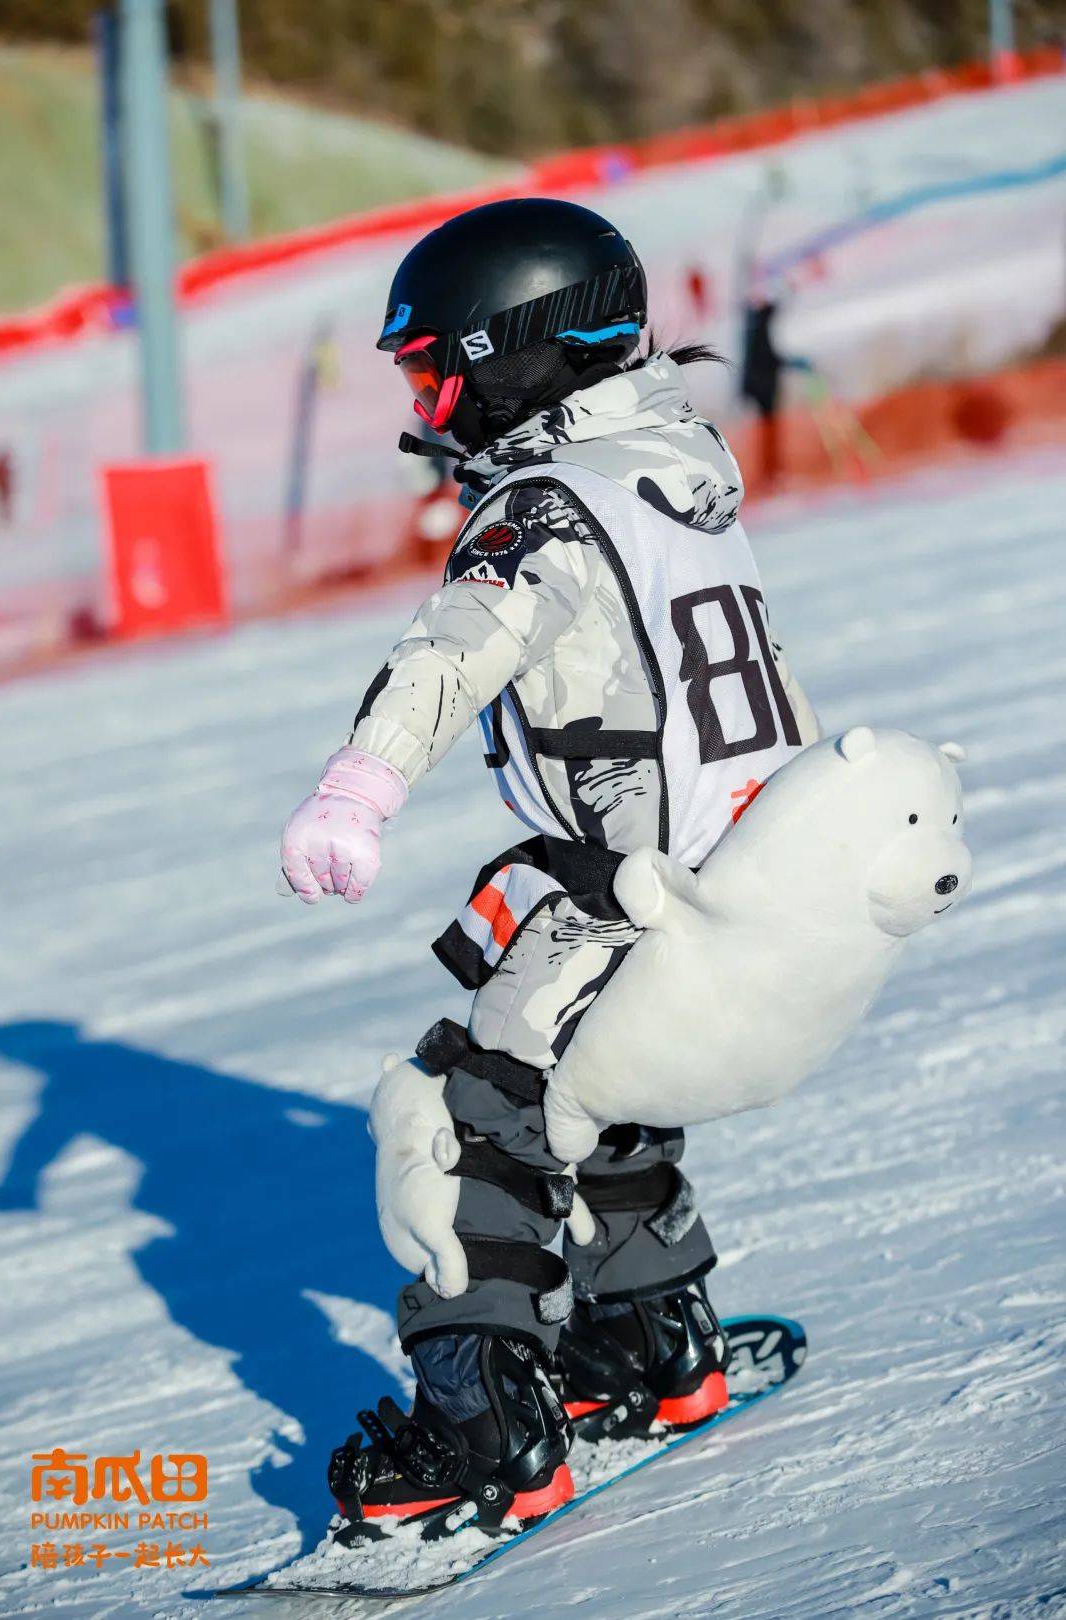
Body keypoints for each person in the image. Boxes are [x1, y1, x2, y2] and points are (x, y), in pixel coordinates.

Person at [279, 198, 820, 1547]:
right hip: (752, 882)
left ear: (510, 351)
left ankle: (485, 1434)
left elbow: (454, 650)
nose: (429, 405)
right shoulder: (671, 458)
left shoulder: (546, 512)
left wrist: (362, 782)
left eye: (435, 373)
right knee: (611, 1093)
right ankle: (653, 1344)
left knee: (466, 1120)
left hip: (621, 884)